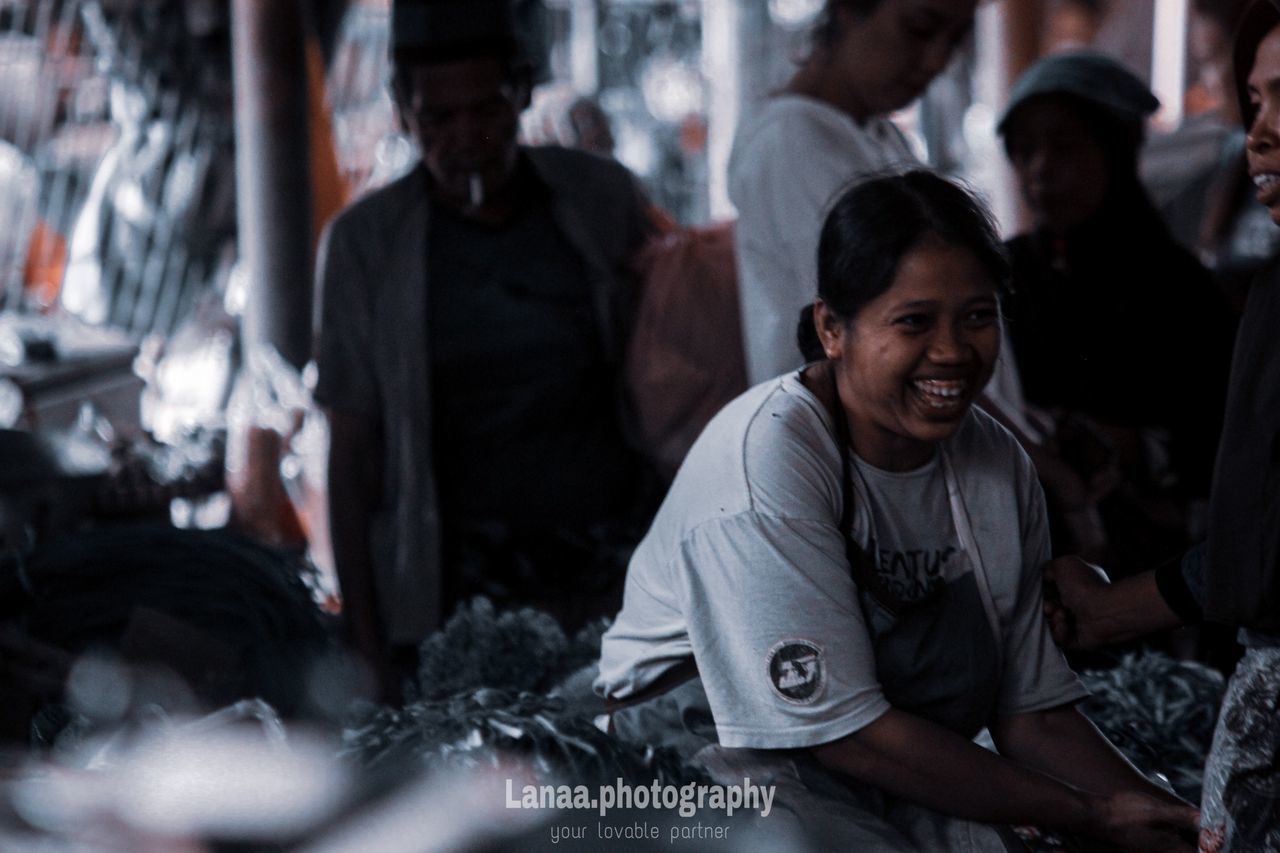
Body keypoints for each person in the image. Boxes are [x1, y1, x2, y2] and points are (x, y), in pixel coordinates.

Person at [596, 171, 1198, 851]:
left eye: (977, 315)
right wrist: (1090, 814)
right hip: (707, 763)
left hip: (883, 752)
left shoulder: (996, 465)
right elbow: (852, 737)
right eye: (914, 321)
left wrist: (1180, 822)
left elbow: (1033, 715)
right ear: (832, 328)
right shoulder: (768, 461)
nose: (952, 352)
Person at [313, 0, 654, 697]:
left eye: (488, 111)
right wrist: (367, 643)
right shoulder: (364, 246)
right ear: (402, 112)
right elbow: (350, 450)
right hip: (457, 597)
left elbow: (670, 366)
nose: (467, 137)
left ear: (523, 92)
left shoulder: (600, 201)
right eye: (438, 120)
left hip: (611, 572)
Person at [1043, 3, 1280, 849]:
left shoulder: (1183, 287)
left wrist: (1117, 609)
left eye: (1064, 146)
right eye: (1253, 103)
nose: (1261, 133)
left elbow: (1263, 538)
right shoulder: (1019, 275)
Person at [998, 52, 1236, 570]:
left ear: (1117, 149)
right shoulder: (1000, 275)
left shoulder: (1179, 288)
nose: (1039, 170)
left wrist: (1122, 445)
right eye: (1023, 150)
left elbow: (1220, 446)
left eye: (1064, 147)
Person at [727, 0, 976, 387]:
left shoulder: (878, 135)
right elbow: (892, 330)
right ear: (848, 8)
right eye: (919, 28)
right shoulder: (794, 140)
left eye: (955, 40)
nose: (936, 61)